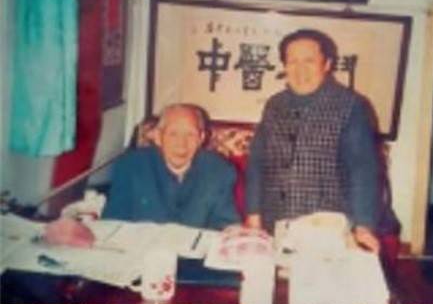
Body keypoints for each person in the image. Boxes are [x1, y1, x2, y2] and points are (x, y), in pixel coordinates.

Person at [245, 28, 383, 253]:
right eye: (292, 61)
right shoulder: (274, 105)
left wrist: (363, 226)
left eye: (309, 61)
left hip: (327, 226)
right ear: (284, 66)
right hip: (275, 223)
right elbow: (257, 163)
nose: (300, 70)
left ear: (327, 64)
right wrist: (253, 214)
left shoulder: (351, 105)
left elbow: (362, 169)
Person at [45, 103, 240, 246]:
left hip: (192, 265)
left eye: (190, 134)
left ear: (201, 138)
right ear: (158, 137)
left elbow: (226, 228)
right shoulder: (130, 166)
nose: (181, 144)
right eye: (173, 134)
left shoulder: (220, 171)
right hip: (138, 258)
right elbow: (113, 222)